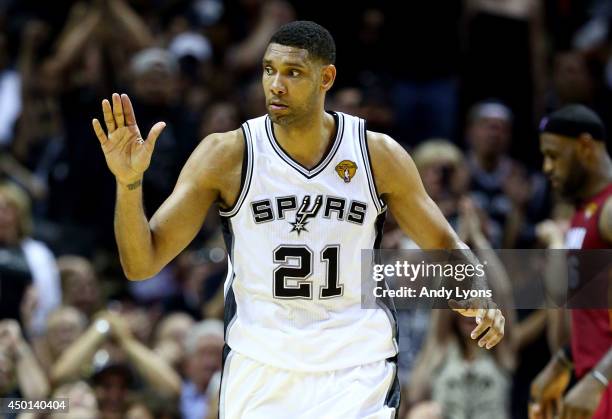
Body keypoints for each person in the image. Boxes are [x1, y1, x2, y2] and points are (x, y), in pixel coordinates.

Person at [92, 21, 505, 418]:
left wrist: (479, 288)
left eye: (293, 72)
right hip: (261, 369)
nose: (276, 84)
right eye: (269, 70)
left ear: (326, 78)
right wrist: (128, 185)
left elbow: (446, 244)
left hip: (356, 369)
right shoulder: (227, 155)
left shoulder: (377, 155)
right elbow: (140, 263)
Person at [530, 104, 612, 419]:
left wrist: (600, 377)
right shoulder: (583, 214)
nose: (547, 167)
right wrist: (562, 362)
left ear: (585, 146)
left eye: (555, 155)